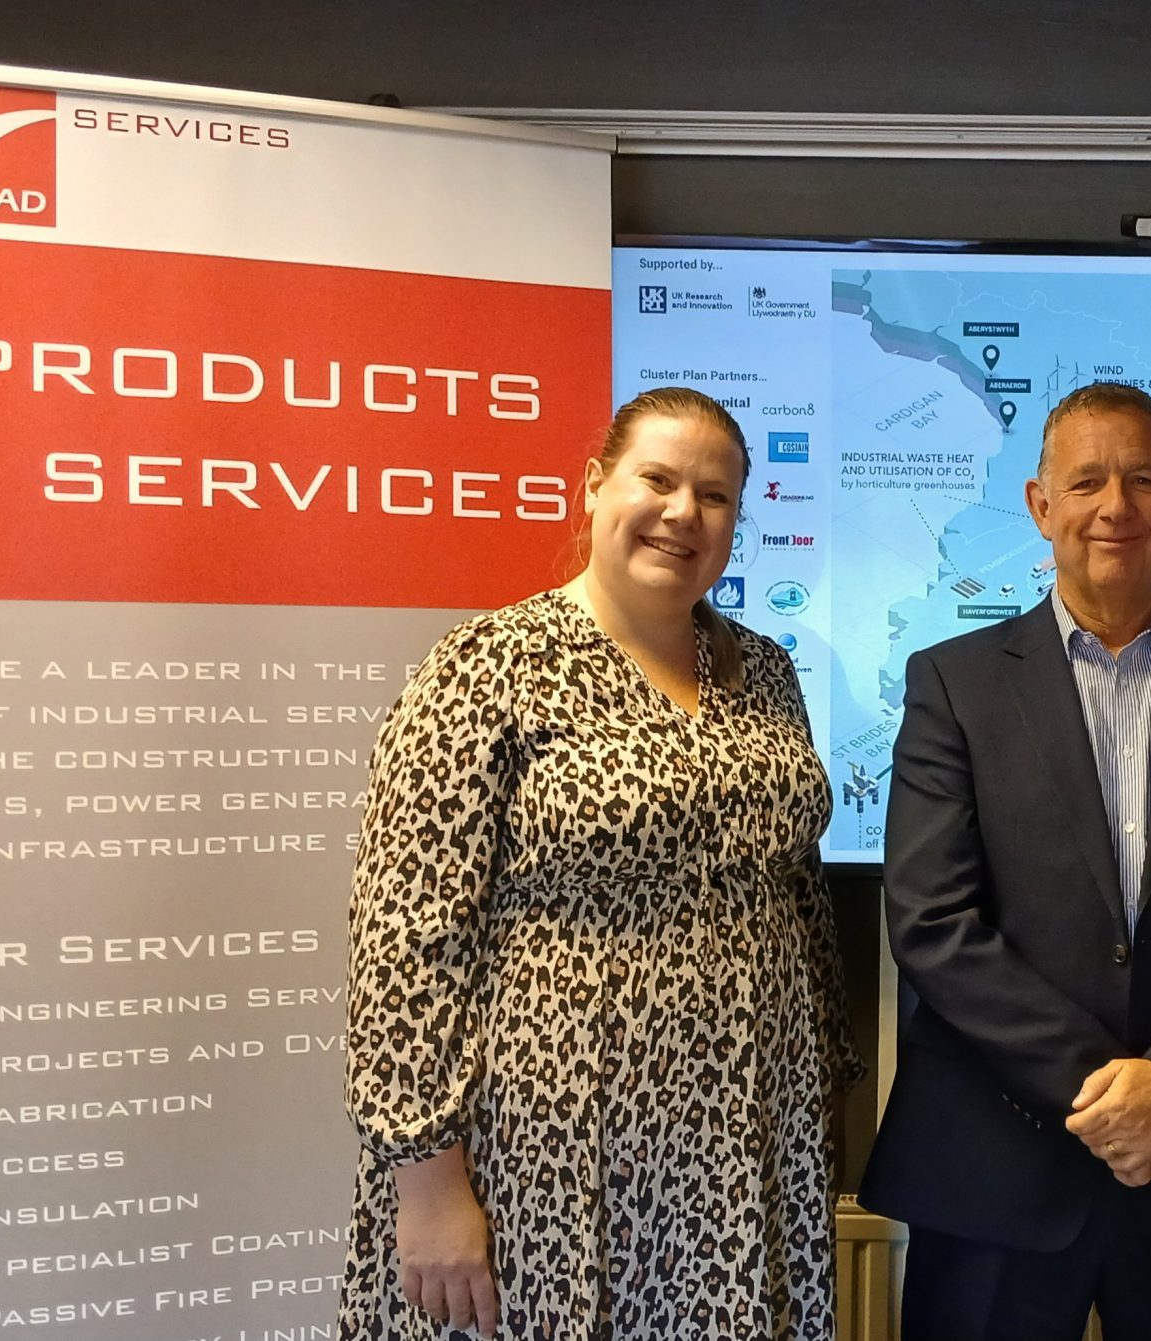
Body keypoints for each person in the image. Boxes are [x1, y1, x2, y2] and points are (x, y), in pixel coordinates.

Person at [342, 386, 861, 1339]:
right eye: (656, 479)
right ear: (594, 486)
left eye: (715, 497)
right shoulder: (486, 665)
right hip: (548, 1152)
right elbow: (405, 941)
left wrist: (827, 1083)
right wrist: (426, 1182)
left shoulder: (765, 669)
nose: (682, 513)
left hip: (745, 1133)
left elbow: (799, 895)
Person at [860, 383, 1151, 1341]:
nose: (1115, 506)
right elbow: (931, 919)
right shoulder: (952, 683)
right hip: (994, 1166)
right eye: (1086, 481)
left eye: (1143, 479)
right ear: (1041, 505)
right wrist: (1112, 1092)